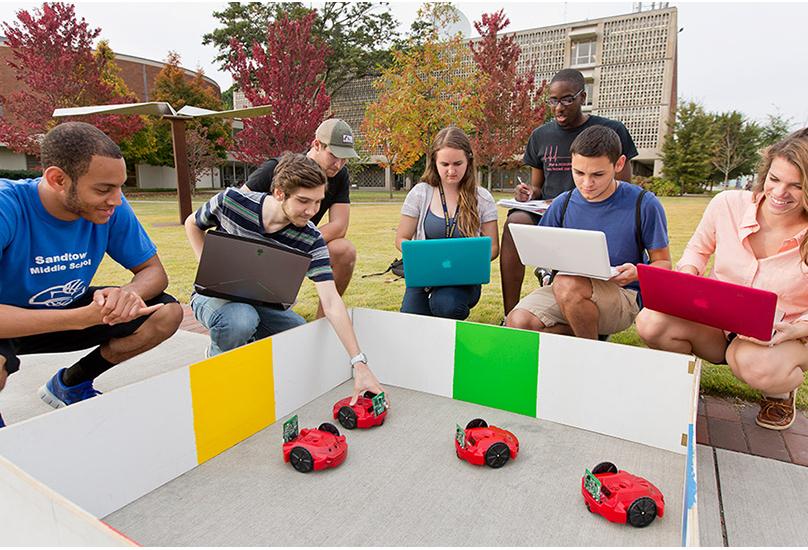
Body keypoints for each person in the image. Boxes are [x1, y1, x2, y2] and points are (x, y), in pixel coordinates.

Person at [0, 122, 183, 427]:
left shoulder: (112, 207)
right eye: (103, 189)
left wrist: (127, 295)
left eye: (121, 186)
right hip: (9, 320)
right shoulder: (7, 206)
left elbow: (153, 272)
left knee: (166, 312)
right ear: (58, 179)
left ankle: (71, 383)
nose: (116, 199)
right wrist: (84, 317)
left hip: (68, 308)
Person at [636, 129, 808, 431]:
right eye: (775, 179)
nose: (779, 193)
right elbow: (697, 251)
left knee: (754, 364)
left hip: (779, 337)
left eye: (796, 186)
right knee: (651, 321)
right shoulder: (728, 204)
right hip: (717, 325)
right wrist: (687, 279)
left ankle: (781, 391)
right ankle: (684, 383)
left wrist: (793, 330)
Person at [186, 152, 384, 402]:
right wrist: (208, 268)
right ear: (279, 193)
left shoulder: (310, 239)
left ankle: (246, 357)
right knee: (241, 321)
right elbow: (192, 223)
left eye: (317, 202)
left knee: (297, 332)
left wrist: (359, 363)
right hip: (214, 297)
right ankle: (215, 367)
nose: (312, 211)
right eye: (303, 201)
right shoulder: (232, 201)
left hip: (263, 301)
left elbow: (332, 301)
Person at [505, 125, 670, 339]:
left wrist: (638, 272)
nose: (587, 183)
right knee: (517, 322)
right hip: (565, 289)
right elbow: (544, 255)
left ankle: (590, 354)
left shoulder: (643, 203)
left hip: (622, 294)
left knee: (568, 284)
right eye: (579, 172)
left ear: (619, 164)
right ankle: (590, 332)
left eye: (598, 174)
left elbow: (664, 263)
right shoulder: (562, 204)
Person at [500, 68, 639, 317]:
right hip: (550, 211)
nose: (559, 107)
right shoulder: (540, 136)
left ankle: (592, 304)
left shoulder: (609, 131)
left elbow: (624, 187)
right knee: (514, 222)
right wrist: (527, 194)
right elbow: (538, 186)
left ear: (583, 97)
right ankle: (510, 313)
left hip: (595, 210)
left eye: (567, 99)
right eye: (553, 100)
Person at [243, 119, 358, 319]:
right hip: (261, 249)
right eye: (333, 155)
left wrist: (299, 242)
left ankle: (324, 320)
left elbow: (339, 226)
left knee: (344, 250)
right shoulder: (277, 168)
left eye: (345, 158)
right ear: (316, 145)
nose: (339, 164)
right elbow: (239, 205)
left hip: (301, 246)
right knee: (253, 319)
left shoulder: (340, 175)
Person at [395, 127, 499, 320]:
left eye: (458, 163)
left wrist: (468, 259)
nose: (451, 171)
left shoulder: (482, 198)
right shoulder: (420, 193)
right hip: (425, 277)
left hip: (463, 279)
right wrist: (424, 256)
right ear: (434, 162)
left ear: (469, 160)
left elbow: (493, 247)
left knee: (446, 305)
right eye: (445, 164)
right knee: (410, 320)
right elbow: (401, 238)